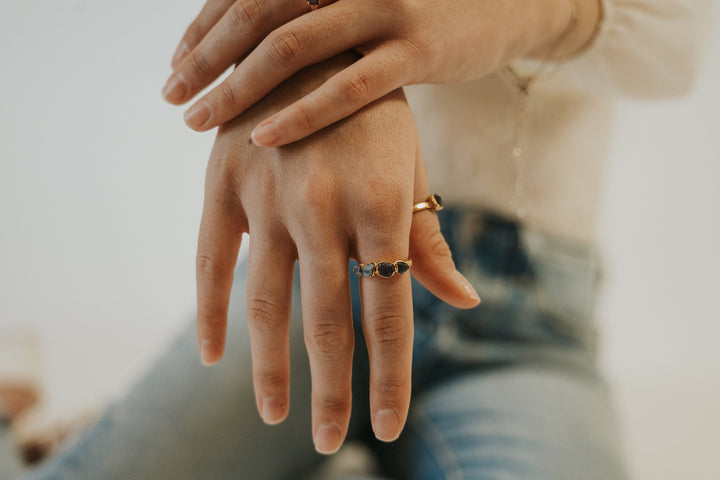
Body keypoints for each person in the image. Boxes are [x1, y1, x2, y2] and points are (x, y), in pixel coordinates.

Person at [0, 0, 703, 478]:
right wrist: (314, 48)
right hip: (311, 276)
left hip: (522, 323)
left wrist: (509, 11)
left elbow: (679, 42)